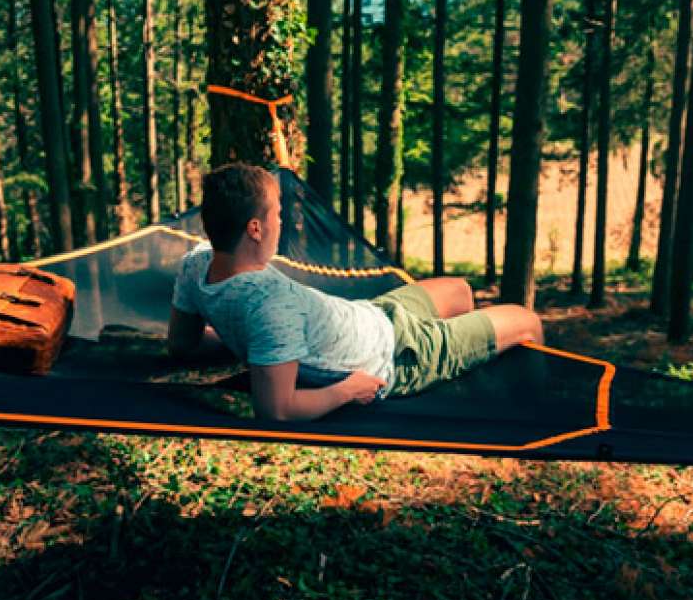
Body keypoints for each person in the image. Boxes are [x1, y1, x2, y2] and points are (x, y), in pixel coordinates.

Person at [167, 163, 543, 421]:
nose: (282, 222)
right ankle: (533, 416)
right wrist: (348, 389)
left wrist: (249, 343)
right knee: (527, 320)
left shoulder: (195, 264)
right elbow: (276, 411)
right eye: (277, 213)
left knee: (459, 289)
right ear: (254, 229)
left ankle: (464, 372)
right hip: (400, 355)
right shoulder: (271, 308)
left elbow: (182, 344)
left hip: (371, 314)